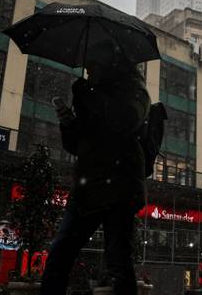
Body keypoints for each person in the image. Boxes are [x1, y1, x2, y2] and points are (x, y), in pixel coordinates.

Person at [41, 58, 150, 295]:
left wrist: (88, 93)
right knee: (60, 254)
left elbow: (123, 122)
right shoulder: (91, 94)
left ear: (110, 63)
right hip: (87, 186)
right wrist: (68, 122)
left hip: (120, 187)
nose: (90, 71)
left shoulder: (134, 91)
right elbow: (79, 144)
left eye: (94, 66)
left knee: (119, 261)